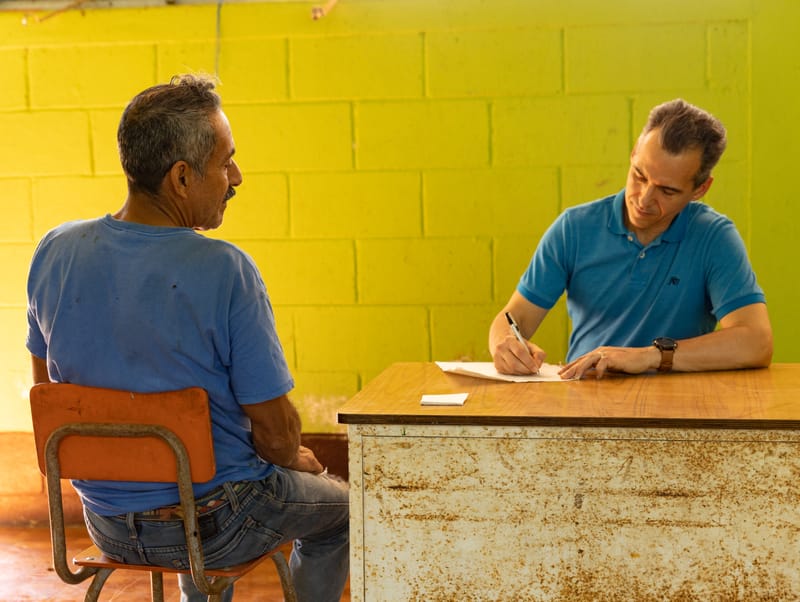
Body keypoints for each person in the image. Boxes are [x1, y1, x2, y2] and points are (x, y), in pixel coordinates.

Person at [26, 74, 349, 602]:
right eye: (226, 163)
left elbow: (48, 396)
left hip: (103, 521)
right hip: (218, 524)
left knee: (206, 491)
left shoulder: (54, 250)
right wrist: (293, 456)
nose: (237, 177)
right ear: (181, 177)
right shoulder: (225, 270)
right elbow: (273, 432)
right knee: (343, 510)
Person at [489, 99, 773, 380]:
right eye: (639, 175)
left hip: (681, 408)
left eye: (668, 191)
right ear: (634, 152)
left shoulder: (714, 237)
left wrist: (650, 356)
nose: (644, 199)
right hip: (585, 405)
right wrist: (504, 343)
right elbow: (515, 319)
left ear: (700, 189)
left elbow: (756, 342)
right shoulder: (573, 228)